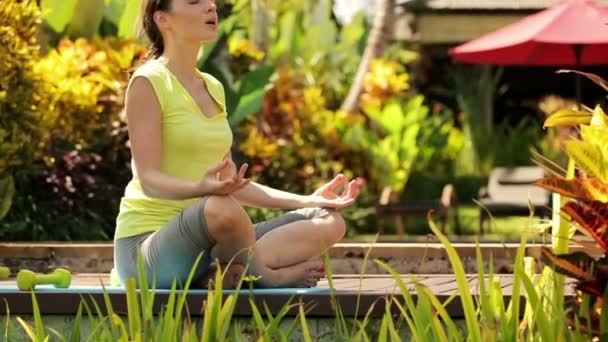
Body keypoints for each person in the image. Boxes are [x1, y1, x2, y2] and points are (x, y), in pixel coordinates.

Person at [113, 0, 364, 289]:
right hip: (148, 249)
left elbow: (231, 183)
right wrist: (202, 190)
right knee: (221, 207)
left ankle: (223, 270)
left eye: (210, 1)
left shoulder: (213, 86)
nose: (211, 6)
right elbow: (149, 180)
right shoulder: (148, 81)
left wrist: (309, 199)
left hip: (211, 235)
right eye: (195, 1)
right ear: (163, 19)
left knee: (329, 220)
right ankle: (267, 276)